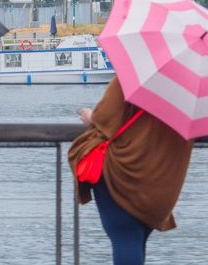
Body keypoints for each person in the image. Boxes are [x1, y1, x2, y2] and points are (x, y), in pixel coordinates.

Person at [68, 77, 193, 265]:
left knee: (124, 237)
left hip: (125, 175)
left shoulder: (134, 75)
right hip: (163, 180)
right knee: (135, 239)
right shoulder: (190, 89)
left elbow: (104, 117)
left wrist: (89, 115)